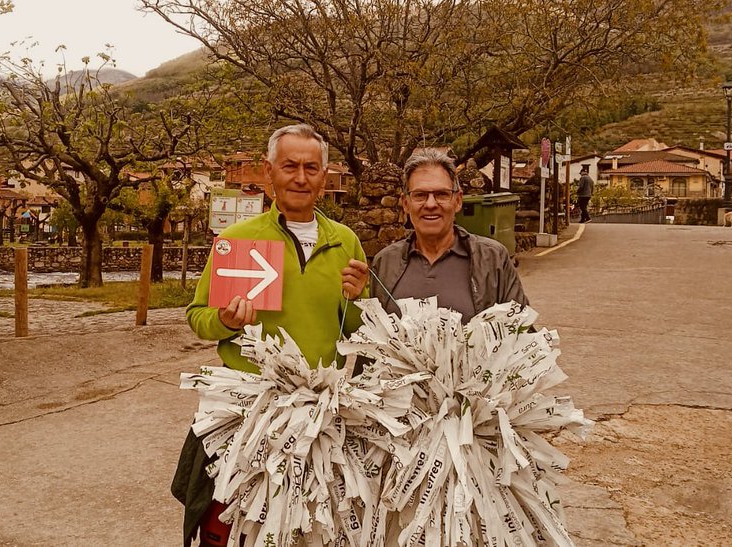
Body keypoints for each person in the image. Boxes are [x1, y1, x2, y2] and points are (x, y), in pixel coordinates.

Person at [173, 123, 369, 547]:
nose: (301, 177)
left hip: (319, 414)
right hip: (248, 409)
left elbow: (357, 332)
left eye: (311, 167)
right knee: (230, 526)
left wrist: (356, 300)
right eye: (290, 166)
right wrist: (226, 320)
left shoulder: (345, 242)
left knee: (311, 529)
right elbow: (197, 316)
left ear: (324, 175)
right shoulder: (237, 239)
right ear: (268, 172)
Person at [371, 151, 528, 319]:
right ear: (405, 203)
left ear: (458, 200)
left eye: (441, 194)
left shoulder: (493, 259)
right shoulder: (385, 263)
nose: (431, 204)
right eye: (420, 195)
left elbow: (522, 332)